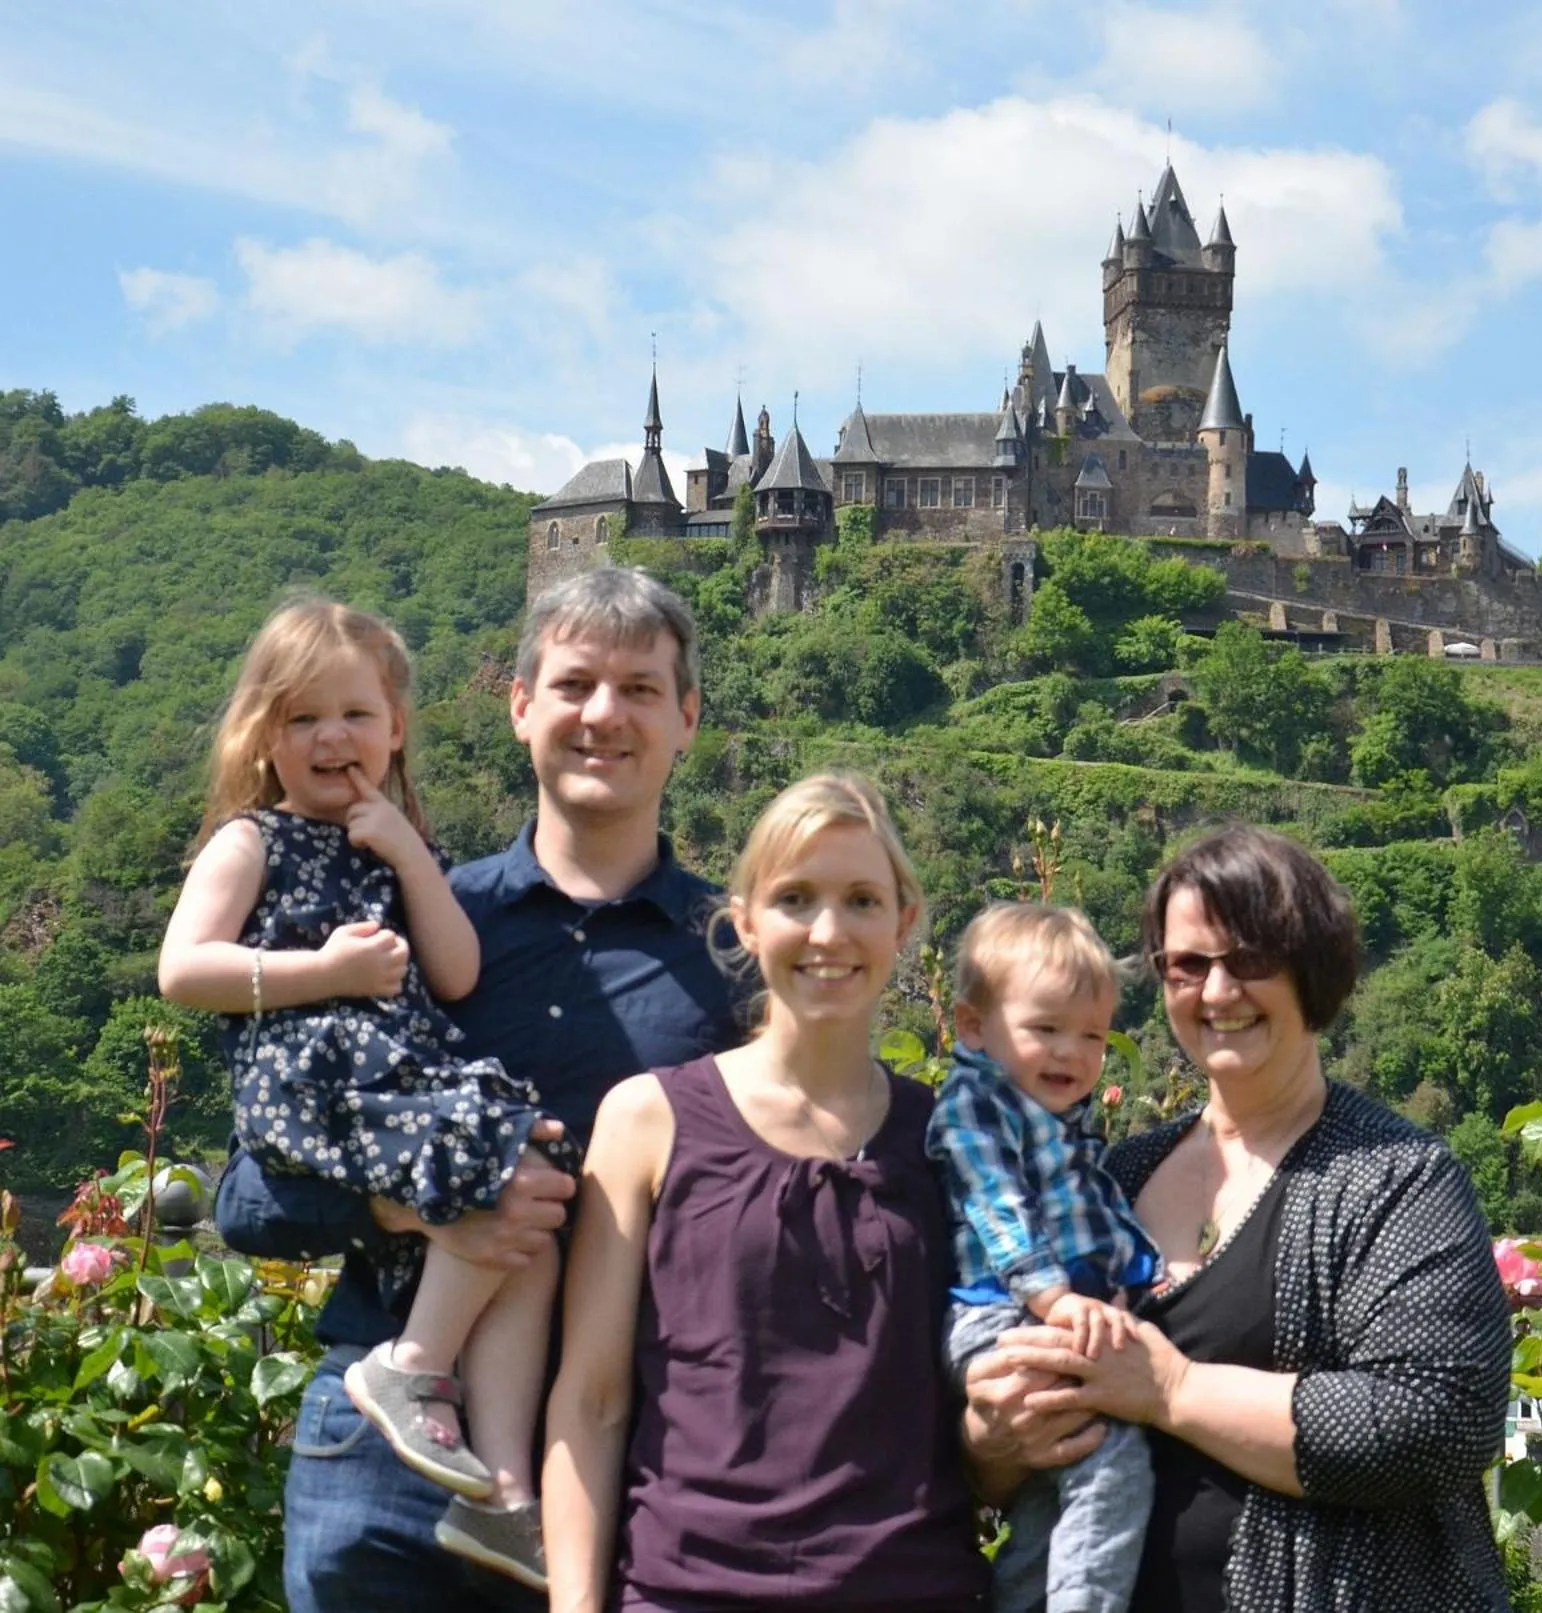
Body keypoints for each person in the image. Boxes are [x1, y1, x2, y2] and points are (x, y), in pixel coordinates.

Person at [214, 568, 738, 1613]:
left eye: (639, 689)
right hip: (385, 1450)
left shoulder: (736, 956)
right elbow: (247, 1196)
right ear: (519, 705)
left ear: (686, 719)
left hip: (632, 1460)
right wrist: (412, 1205)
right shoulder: (399, 915)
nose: (603, 714)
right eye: (575, 682)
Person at [963, 823, 1514, 1611]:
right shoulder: (1117, 1174)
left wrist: (1172, 1388)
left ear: (1310, 967)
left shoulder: (1397, 1177)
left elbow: (1438, 1422)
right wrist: (990, 1443)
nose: (1218, 992)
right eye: (1188, 964)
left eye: (1250, 959)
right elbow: (1008, 1448)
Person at [161, 599, 575, 1588]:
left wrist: (402, 850)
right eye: (303, 717)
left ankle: (505, 1490)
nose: (331, 736)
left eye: (354, 713)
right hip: (312, 1077)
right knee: (492, 1152)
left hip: (389, 1081)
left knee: (532, 1191)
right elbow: (184, 969)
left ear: (396, 729)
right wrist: (324, 973)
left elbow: (459, 968)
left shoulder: (405, 848)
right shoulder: (251, 841)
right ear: (265, 737)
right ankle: (414, 1360)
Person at [544, 772, 988, 1613]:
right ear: (744, 919)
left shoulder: (950, 1138)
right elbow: (592, 1399)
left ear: (903, 921)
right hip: (688, 1588)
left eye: (861, 898)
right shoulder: (648, 1119)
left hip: (913, 1588)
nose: (829, 929)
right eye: (795, 897)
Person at [926, 902, 1158, 1613]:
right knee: (1112, 1451)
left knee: (1046, 1492)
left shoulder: (1066, 1126)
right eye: (1045, 1029)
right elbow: (997, 1208)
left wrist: (1147, 1275)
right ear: (973, 1027)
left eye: (1091, 1035)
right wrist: (1055, 1298)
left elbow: (1103, 1216)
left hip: (1040, 1310)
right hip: (1001, 1316)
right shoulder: (977, 1103)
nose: (1071, 1053)